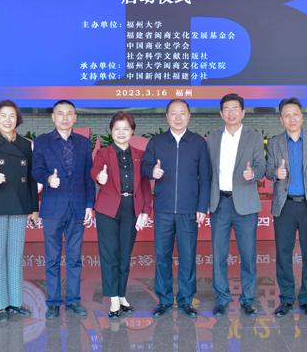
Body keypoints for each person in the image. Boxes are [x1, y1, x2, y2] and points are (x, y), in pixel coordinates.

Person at [142, 99, 211, 318]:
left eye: (182, 113)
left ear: (189, 116)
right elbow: (144, 166)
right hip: (163, 209)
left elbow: (206, 177)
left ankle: (186, 300)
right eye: (173, 113)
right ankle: (164, 300)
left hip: (189, 210)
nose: (178, 117)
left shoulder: (198, 143)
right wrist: (152, 171)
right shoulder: (157, 142)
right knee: (162, 256)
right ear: (167, 117)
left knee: (187, 257)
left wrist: (202, 206)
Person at [266, 97, 307, 319]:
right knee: (283, 254)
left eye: (295, 114)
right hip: (284, 206)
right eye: (287, 115)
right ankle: (286, 298)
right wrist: (276, 173)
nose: (291, 119)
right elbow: (268, 171)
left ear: (302, 117)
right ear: (281, 119)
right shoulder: (274, 143)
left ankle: (306, 299)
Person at [0, 100, 39, 323]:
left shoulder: (25, 145)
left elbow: (31, 179)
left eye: (12, 116)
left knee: (15, 255)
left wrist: (33, 208)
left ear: (17, 119)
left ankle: (15, 302)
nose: (8, 120)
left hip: (20, 205)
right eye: (3, 116)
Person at [32, 100, 95, 319]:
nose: (65, 117)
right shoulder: (42, 142)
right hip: (52, 207)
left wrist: (89, 205)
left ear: (75, 117)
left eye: (69, 113)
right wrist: (48, 178)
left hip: (77, 207)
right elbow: (36, 170)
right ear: (53, 117)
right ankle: (52, 302)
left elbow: (88, 177)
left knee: (75, 258)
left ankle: (73, 301)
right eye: (61, 113)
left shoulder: (84, 143)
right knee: (52, 258)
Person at [206, 93, 265, 317]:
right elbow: (207, 171)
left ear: (243, 112)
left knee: (248, 255)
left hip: (245, 205)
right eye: (226, 109)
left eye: (235, 109)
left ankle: (247, 299)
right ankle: (222, 298)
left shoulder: (254, 137)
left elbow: (261, 165)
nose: (231, 113)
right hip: (219, 203)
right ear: (221, 114)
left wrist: (253, 173)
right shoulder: (212, 137)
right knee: (219, 254)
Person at [90, 111, 152, 319]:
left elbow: (145, 185)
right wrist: (99, 177)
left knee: (125, 254)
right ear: (111, 131)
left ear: (132, 131)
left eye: (126, 128)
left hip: (131, 208)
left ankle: (122, 294)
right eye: (117, 129)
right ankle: (113, 299)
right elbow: (95, 171)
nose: (121, 132)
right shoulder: (103, 153)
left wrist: (146, 210)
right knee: (110, 255)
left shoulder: (140, 155)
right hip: (108, 210)